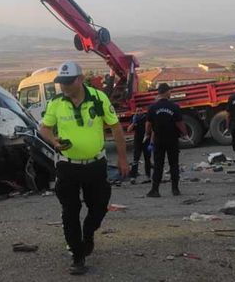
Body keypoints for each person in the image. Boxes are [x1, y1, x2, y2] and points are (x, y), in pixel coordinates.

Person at [39, 61, 129, 275]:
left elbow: (115, 128)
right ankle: (78, 256)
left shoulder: (98, 98)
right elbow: (44, 129)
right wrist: (54, 141)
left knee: (98, 206)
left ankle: (88, 234)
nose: (64, 86)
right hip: (67, 166)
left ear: (79, 79)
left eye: (68, 82)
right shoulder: (56, 103)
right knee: (69, 211)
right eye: (61, 82)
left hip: (95, 165)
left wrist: (123, 159)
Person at [145, 83, 187, 197]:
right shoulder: (174, 107)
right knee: (174, 164)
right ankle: (175, 190)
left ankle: (155, 190)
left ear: (158, 92)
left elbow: (148, 124)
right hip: (172, 139)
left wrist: (147, 135)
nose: (170, 93)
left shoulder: (152, 108)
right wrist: (185, 134)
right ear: (167, 92)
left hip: (158, 140)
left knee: (158, 165)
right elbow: (179, 123)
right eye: (169, 91)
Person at [127, 107, 152, 184]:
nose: (140, 112)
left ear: (143, 111)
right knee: (135, 159)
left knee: (147, 159)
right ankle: (133, 177)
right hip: (137, 141)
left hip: (146, 140)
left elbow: (150, 127)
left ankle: (148, 176)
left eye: (141, 110)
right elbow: (128, 130)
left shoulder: (146, 118)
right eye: (138, 111)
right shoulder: (134, 118)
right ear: (136, 112)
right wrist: (133, 123)